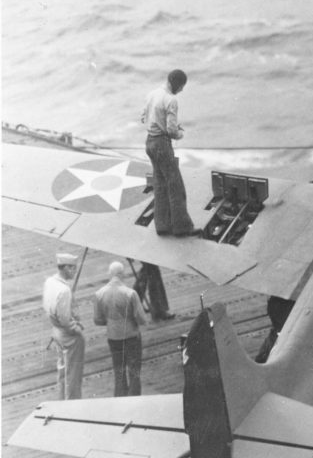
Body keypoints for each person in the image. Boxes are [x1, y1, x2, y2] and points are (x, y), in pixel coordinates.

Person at [141, 69, 201, 237]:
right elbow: (171, 130)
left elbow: (143, 116)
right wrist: (180, 134)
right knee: (176, 186)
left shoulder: (153, 93)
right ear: (176, 84)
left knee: (160, 185)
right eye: (181, 87)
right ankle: (182, 227)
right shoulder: (171, 99)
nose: (181, 90)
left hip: (150, 142)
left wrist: (158, 122)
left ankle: (162, 226)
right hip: (162, 144)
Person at [94, 261, 148, 396]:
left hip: (113, 337)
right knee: (134, 373)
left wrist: (111, 322)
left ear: (110, 274)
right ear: (122, 274)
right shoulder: (130, 293)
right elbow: (142, 319)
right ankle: (134, 401)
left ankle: (119, 400)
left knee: (119, 372)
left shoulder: (99, 294)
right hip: (131, 336)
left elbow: (97, 320)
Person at [42, 252, 85, 399]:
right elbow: (66, 319)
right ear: (65, 268)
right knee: (73, 373)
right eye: (72, 268)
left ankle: (61, 400)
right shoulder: (64, 290)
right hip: (69, 335)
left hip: (56, 331)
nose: (74, 271)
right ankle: (72, 404)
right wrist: (77, 329)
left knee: (62, 370)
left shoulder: (49, 282)